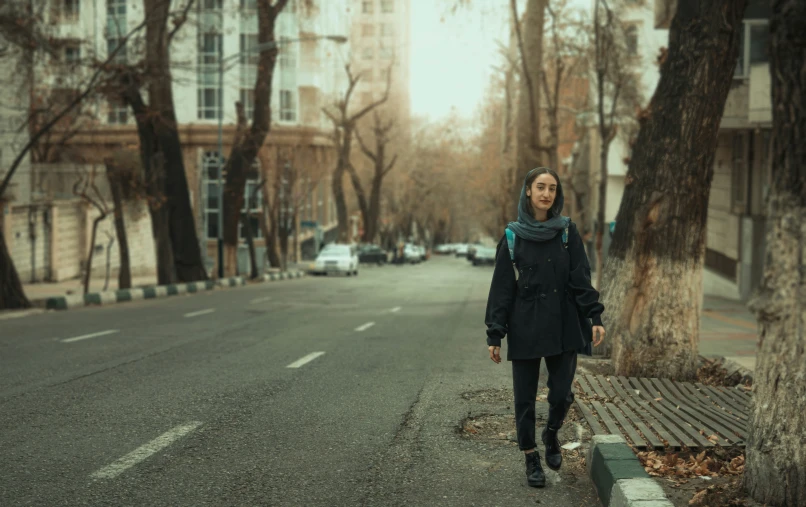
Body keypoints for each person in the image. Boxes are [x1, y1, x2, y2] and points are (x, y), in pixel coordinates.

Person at [485, 167, 605, 488]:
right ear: (528, 191)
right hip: (525, 325)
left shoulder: (567, 232)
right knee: (524, 398)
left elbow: (580, 277)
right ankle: (530, 456)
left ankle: (551, 433)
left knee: (562, 393)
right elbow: (501, 288)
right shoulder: (512, 236)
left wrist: (594, 316)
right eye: (540, 187)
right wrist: (495, 333)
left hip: (563, 324)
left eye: (552, 188)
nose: (546, 194)